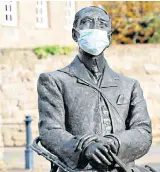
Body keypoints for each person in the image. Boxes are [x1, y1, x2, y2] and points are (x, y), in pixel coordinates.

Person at [37, 6, 152, 172]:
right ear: (75, 34)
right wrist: (84, 149)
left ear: (109, 36)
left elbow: (143, 132)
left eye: (102, 24)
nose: (95, 29)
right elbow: (50, 131)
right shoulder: (54, 81)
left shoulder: (129, 85)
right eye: (87, 23)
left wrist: (113, 143)